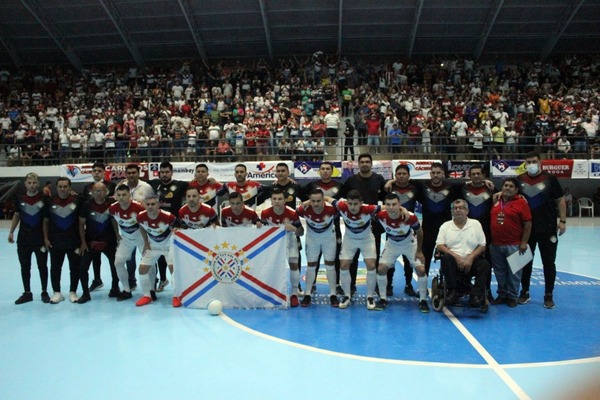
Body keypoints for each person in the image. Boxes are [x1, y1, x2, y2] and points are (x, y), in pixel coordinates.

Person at [516, 151, 566, 309]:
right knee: (524, 262)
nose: (531, 164)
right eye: (528, 162)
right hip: (525, 230)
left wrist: (563, 221)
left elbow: (560, 200)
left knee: (549, 263)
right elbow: (508, 193)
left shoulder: (550, 179)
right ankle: (524, 292)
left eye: (534, 161)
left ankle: (548, 294)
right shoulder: (519, 180)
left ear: (540, 162)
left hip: (548, 227)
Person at [340, 153, 386, 296]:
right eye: (362, 162)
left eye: (367, 161)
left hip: (373, 225)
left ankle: (375, 287)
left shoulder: (379, 179)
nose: (365, 164)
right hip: (353, 226)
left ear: (371, 164)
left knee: (373, 258)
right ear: (358, 164)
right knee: (351, 258)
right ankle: (351, 286)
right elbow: (342, 198)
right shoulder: (350, 181)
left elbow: (385, 200)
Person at [374, 193, 428, 312]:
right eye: (388, 204)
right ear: (384, 205)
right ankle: (383, 299)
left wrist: (419, 251)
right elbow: (363, 208)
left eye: (394, 204)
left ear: (399, 205)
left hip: (409, 243)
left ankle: (423, 300)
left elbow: (419, 232)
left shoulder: (410, 217)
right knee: (381, 268)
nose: (391, 207)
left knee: (421, 270)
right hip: (392, 244)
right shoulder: (380, 215)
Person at [436, 199, 490, 310]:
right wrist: (456, 257)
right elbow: (440, 245)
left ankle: (476, 295)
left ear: (467, 211)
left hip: (471, 260)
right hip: (453, 263)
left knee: (484, 264)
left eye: (461, 208)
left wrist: (470, 258)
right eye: (455, 208)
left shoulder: (475, 224)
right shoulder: (445, 226)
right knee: (446, 258)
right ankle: (452, 292)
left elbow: (482, 245)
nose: (458, 210)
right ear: (452, 212)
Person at [331, 189, 380, 309]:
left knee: (371, 265)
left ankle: (370, 296)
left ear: (361, 203)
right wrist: (306, 203)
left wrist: (403, 210)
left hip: (367, 240)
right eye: (350, 204)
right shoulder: (341, 206)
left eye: (355, 204)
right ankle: (347, 295)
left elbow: (386, 207)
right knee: (343, 265)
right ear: (346, 202)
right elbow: (327, 199)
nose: (352, 207)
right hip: (349, 240)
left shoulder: (369, 209)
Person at [8, 172, 50, 304]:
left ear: (38, 184)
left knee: (42, 266)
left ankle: (44, 291)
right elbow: (16, 216)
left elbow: (46, 220)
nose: (32, 185)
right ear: (25, 184)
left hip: (39, 239)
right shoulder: (19, 199)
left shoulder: (44, 199)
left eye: (34, 183)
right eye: (29, 183)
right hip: (24, 239)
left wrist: (46, 238)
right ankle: (27, 292)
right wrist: (11, 232)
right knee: (25, 266)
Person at [490, 178, 532, 308]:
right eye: (505, 185)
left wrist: (524, 242)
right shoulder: (496, 201)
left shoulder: (521, 203)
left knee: (515, 272)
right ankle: (502, 294)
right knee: (499, 271)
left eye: (511, 186)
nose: (507, 188)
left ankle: (512, 296)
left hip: (514, 243)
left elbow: (528, 223)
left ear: (516, 190)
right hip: (496, 244)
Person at [259, 188, 304, 307]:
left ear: (285, 200)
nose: (277, 201)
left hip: (290, 239)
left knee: (294, 263)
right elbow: (262, 230)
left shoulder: (292, 213)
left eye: (280, 199)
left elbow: (301, 232)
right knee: (272, 265)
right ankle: (273, 291)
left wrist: (294, 228)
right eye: (274, 199)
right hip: (273, 243)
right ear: (271, 200)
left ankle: (294, 293)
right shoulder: (265, 213)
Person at [77, 182, 120, 304]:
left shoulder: (111, 204)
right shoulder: (86, 205)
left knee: (115, 265)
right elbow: (81, 224)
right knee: (83, 268)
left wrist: (117, 236)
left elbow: (114, 221)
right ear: (92, 192)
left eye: (101, 191)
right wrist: (83, 242)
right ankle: (85, 293)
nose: (98, 193)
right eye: (96, 191)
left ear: (106, 192)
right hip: (91, 242)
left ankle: (115, 288)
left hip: (109, 241)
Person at [297, 189, 340, 307]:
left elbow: (344, 208)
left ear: (323, 200)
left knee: (330, 265)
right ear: (309, 201)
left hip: (329, 238)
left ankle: (333, 294)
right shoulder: (303, 209)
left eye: (319, 201)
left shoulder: (333, 209)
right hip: (312, 239)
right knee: (311, 265)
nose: (316, 204)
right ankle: (307, 294)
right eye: (313, 201)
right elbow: (292, 214)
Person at [149, 161, 187, 292]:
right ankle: (162, 279)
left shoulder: (180, 185)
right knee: (160, 254)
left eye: (167, 172)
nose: (164, 175)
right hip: (158, 225)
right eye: (162, 172)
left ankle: (180, 284)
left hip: (175, 226)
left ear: (171, 172)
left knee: (174, 256)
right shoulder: (153, 184)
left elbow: (197, 186)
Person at [43, 177, 82, 304]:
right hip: (55, 241)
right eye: (60, 186)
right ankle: (57, 293)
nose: (62, 189)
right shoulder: (50, 201)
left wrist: (82, 241)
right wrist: (46, 238)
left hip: (73, 240)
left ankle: (73, 292)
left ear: (70, 187)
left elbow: (82, 222)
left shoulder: (77, 200)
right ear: (56, 187)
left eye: (65, 186)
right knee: (55, 267)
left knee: (74, 267)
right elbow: (45, 221)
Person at [136, 192, 178, 307]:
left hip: (168, 246)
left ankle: (176, 296)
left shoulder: (168, 216)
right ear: (144, 204)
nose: (150, 206)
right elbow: (141, 228)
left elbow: (178, 229)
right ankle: (147, 296)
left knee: (173, 269)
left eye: (153, 204)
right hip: (153, 246)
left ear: (158, 204)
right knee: (142, 269)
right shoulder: (140, 216)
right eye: (148, 204)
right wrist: (145, 243)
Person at [81, 161, 116, 292]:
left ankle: (115, 285)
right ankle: (97, 279)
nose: (96, 173)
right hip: (92, 228)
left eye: (99, 171)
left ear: (103, 172)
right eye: (94, 170)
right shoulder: (87, 188)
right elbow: (85, 204)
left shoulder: (112, 186)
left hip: (107, 229)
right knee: (95, 257)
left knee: (113, 259)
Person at [108, 184, 146, 302]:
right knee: (118, 262)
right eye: (119, 195)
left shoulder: (139, 207)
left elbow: (145, 224)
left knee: (147, 263)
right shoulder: (113, 208)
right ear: (115, 196)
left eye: (124, 195)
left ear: (130, 195)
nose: (121, 197)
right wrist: (117, 235)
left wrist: (147, 241)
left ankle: (150, 291)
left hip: (141, 238)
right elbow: (113, 220)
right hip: (126, 238)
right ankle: (126, 290)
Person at [387, 164, 421, 297]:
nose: (401, 176)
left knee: (408, 260)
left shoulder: (415, 188)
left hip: (409, 229)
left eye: (404, 174)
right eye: (398, 174)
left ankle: (408, 285)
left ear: (409, 176)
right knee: (390, 259)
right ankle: (389, 285)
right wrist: (391, 181)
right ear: (395, 176)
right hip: (391, 228)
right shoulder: (389, 188)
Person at [120, 163, 154, 290]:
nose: (131, 175)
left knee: (147, 254)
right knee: (129, 256)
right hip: (127, 228)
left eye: (134, 172)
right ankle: (131, 280)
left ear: (138, 173)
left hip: (143, 228)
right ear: (126, 174)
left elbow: (153, 204)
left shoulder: (146, 187)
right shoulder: (121, 186)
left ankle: (152, 283)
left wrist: (144, 205)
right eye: (129, 173)